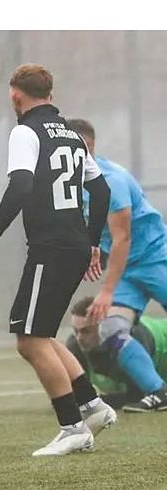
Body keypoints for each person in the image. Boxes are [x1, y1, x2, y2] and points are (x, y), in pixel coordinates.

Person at [0, 64, 117, 456]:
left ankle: (72, 427)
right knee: (43, 333)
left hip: (50, 247)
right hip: (71, 244)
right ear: (49, 95)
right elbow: (100, 190)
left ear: (15, 95)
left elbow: (20, 185)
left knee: (29, 339)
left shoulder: (25, 131)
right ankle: (93, 406)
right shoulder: (70, 132)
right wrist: (91, 242)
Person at [66, 118, 167, 412]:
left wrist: (107, 291)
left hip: (154, 258)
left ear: (83, 147)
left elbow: (122, 238)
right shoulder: (73, 182)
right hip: (127, 270)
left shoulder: (111, 181)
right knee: (111, 328)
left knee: (107, 311)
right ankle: (158, 391)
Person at [67, 296, 167, 410]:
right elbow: (72, 397)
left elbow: (137, 395)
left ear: (104, 327)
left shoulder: (132, 341)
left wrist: (99, 401)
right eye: (76, 331)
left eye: (86, 331)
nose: (79, 338)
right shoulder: (74, 347)